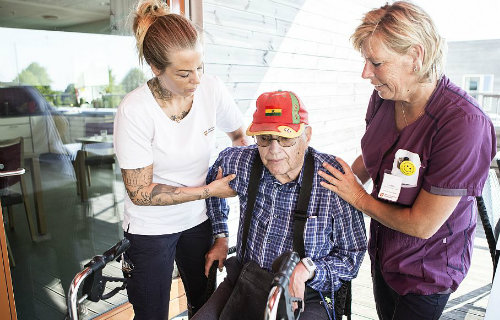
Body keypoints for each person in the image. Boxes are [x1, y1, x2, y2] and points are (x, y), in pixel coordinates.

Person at [318, 2, 497, 320]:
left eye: (376, 62)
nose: (365, 73)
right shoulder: (385, 96)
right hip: (384, 249)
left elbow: (422, 224)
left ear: (415, 57)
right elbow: (379, 153)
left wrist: (356, 195)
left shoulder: (463, 123)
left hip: (427, 270)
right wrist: (339, 180)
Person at [113, 0, 248, 318]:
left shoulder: (211, 89)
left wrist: (244, 173)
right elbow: (141, 192)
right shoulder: (135, 110)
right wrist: (209, 191)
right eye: (185, 73)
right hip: (150, 228)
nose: (197, 80)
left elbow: (240, 138)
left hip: (199, 221)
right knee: (151, 313)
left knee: (204, 304)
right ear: (156, 69)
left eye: (200, 67)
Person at [193, 90, 367, 320]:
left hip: (308, 293)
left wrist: (308, 270)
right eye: (264, 138)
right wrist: (221, 236)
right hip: (246, 280)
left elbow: (351, 256)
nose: (274, 151)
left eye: (286, 138)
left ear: (307, 135)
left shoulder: (334, 180)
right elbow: (213, 184)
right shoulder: (241, 162)